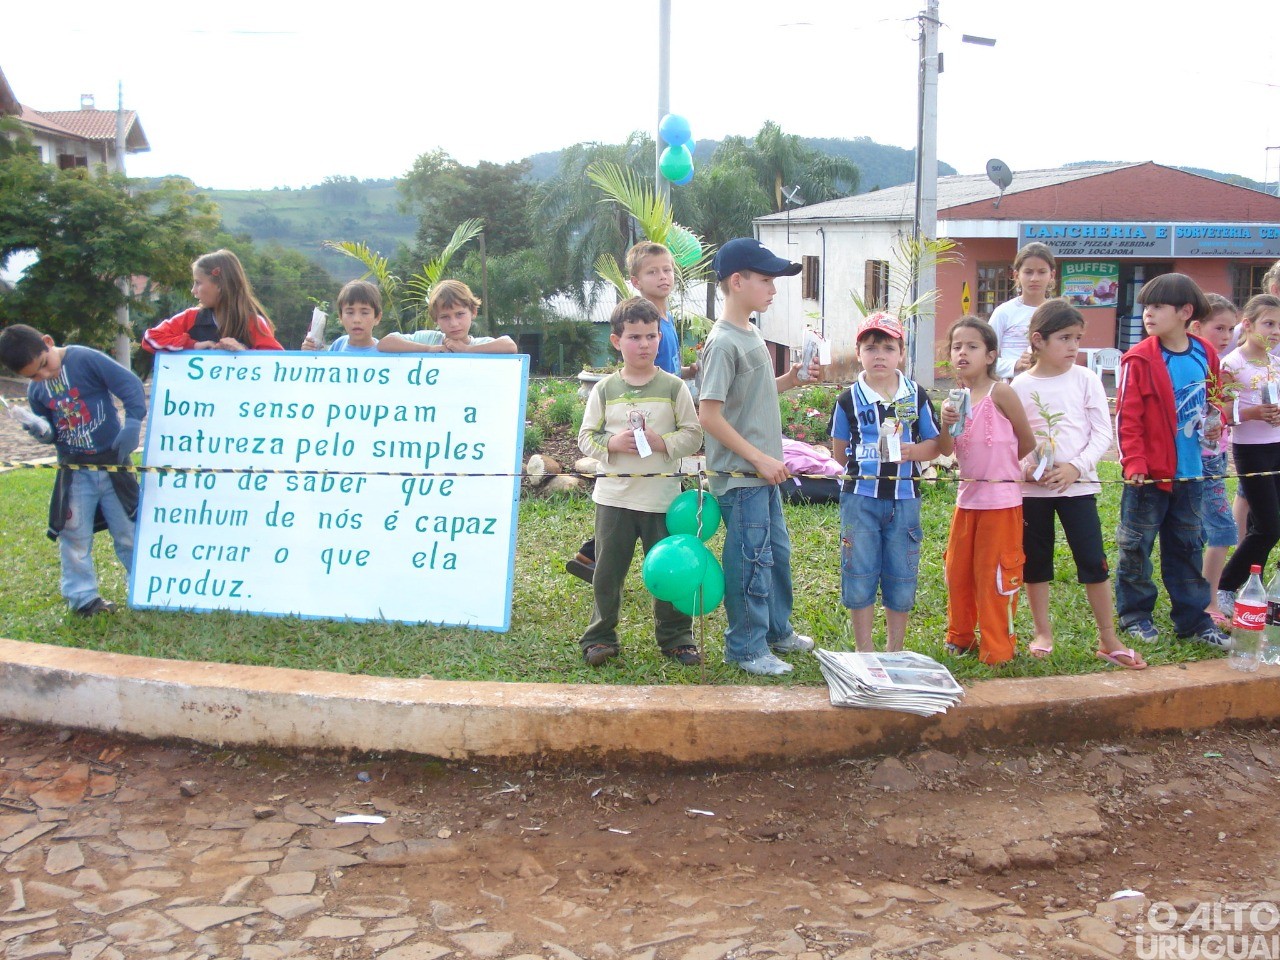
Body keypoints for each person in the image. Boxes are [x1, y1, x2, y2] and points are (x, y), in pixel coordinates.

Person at [698, 237, 818, 676]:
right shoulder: (723, 342)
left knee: (776, 555)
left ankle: (775, 631)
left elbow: (751, 398)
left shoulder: (750, 332)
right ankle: (745, 646)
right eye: (766, 279)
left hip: (763, 474)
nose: (773, 288)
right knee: (750, 559)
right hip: (742, 476)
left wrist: (792, 379)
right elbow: (709, 415)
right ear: (737, 281)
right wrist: (759, 459)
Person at [1010, 300, 1145, 669]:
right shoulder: (1019, 385)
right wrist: (1027, 469)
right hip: (1033, 491)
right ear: (1038, 340)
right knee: (1036, 561)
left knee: (1093, 560)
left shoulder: (1085, 378)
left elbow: (1103, 432)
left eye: (1078, 338)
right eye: (1064, 338)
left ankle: (1108, 637)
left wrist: (1076, 468)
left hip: (1079, 487)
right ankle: (1042, 633)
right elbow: (1015, 438)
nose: (1073, 346)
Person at [575, 297, 704, 667]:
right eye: (634, 337)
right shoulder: (604, 390)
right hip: (614, 498)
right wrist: (611, 444)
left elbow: (693, 435)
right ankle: (599, 636)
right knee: (607, 573)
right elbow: (586, 437)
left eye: (651, 336)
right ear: (616, 341)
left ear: (660, 339)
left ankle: (677, 637)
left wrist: (663, 442)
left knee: (668, 569)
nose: (644, 344)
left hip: (661, 500)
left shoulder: (674, 387)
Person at [566, 240, 696, 584]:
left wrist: (687, 374)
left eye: (667, 269)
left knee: (655, 496)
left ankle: (593, 553)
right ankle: (602, 556)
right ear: (635, 281)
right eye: (652, 271)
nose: (663, 276)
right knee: (644, 503)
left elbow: (667, 372)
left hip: (665, 419)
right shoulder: (643, 323)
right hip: (645, 422)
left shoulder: (665, 323)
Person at [1113, 273, 1231, 648]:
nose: (1148, 313)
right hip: (1148, 478)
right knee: (1136, 547)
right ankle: (1136, 615)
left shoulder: (1205, 353)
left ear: (1185, 312)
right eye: (1146, 306)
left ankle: (1194, 620)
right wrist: (1134, 463)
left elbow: (1216, 401)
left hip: (1192, 474)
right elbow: (1127, 418)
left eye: (1158, 306)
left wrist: (1217, 421)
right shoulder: (1140, 359)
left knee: (1187, 547)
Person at [0, 325, 146, 617]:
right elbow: (51, 430)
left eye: (43, 365)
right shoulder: (37, 389)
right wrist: (41, 431)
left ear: (48, 342)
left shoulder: (84, 358)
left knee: (129, 529)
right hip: (75, 470)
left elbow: (129, 385)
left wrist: (132, 423)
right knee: (74, 536)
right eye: (32, 376)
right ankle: (83, 599)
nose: (43, 376)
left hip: (113, 464)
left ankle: (144, 587)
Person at [829, 312, 950, 653]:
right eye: (870, 348)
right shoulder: (848, 400)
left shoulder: (914, 396)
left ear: (902, 353)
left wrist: (913, 452)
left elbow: (936, 444)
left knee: (901, 573)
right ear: (859, 353)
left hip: (904, 499)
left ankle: (895, 650)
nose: (879, 355)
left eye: (887, 347)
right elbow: (839, 453)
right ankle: (864, 650)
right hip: (860, 499)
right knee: (860, 571)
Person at [938, 317, 1036, 664]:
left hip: (1001, 503)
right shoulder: (953, 400)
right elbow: (947, 450)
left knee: (995, 575)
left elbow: (1026, 440)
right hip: (967, 502)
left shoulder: (1001, 393)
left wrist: (1004, 472)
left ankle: (997, 646)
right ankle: (959, 636)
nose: (963, 352)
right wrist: (946, 424)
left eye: (972, 346)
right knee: (958, 571)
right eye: (957, 346)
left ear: (991, 354)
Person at [1213, 294, 1280, 616]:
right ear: (1248, 325)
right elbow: (1220, 411)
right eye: (1269, 323)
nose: (1275, 331)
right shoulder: (1232, 364)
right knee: (1269, 526)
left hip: (1278, 447)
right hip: (1251, 451)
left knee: (1264, 526)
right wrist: (1252, 412)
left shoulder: (1276, 363)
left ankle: (1252, 588)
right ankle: (1226, 585)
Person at [1190, 294, 1241, 624]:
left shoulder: (1221, 366)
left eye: (1230, 329)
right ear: (1196, 326)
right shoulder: (1195, 365)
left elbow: (1224, 414)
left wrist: (1229, 404)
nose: (1225, 336)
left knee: (1202, 530)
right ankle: (1207, 603)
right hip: (1198, 457)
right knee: (1221, 529)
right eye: (1218, 327)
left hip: (1218, 453)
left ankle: (1201, 599)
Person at [143, 249, 283, 353]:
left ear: (220, 285)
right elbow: (150, 337)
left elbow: (277, 362)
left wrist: (243, 352)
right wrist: (193, 345)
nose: (193, 290)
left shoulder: (254, 322)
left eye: (198, 283)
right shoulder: (190, 317)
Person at [377, 280, 516, 354]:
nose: (454, 323)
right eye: (445, 317)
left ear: (473, 312)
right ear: (435, 319)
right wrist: (429, 349)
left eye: (460, 314)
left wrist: (466, 350)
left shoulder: (481, 344)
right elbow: (385, 343)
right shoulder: (428, 340)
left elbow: (510, 346)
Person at [990, 242, 1056, 380]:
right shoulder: (1004, 312)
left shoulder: (1058, 314)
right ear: (1016, 275)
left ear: (1052, 275)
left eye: (1042, 272)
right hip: (1012, 392)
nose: (1034, 278)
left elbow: (1067, 355)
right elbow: (984, 359)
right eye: (1028, 272)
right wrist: (1016, 364)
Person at [302, 280, 382, 354]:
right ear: (340, 317)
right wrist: (309, 354)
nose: (356, 320)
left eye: (364, 313)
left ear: (377, 317)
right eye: (350, 312)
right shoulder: (338, 344)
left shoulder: (383, 353)